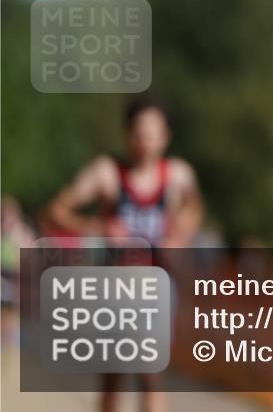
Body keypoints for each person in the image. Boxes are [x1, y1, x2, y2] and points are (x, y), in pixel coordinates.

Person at [45, 97, 203, 412]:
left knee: (151, 373)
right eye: (138, 132)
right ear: (127, 133)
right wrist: (96, 225)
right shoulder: (106, 173)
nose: (144, 141)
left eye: (152, 133)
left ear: (165, 136)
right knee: (114, 375)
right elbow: (55, 211)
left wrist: (181, 233)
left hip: (157, 284)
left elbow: (194, 208)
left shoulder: (177, 175)